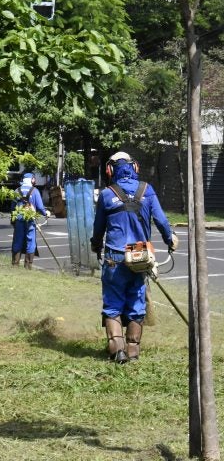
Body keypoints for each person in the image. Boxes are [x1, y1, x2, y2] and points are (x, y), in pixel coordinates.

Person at [90, 152, 177, 364]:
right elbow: (162, 221)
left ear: (110, 170)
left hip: (114, 256)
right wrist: (170, 239)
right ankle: (133, 352)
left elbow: (98, 228)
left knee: (113, 304)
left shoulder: (106, 194)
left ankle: (117, 351)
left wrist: (96, 245)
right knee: (137, 303)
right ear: (135, 168)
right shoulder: (147, 190)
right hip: (140, 256)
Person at [10, 173, 49, 269]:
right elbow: (40, 207)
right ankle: (28, 266)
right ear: (31, 179)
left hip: (19, 219)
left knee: (17, 240)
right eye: (33, 179)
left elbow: (12, 208)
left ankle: (15, 264)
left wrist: (13, 220)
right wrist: (46, 213)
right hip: (30, 219)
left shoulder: (16, 191)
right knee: (31, 241)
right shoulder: (34, 191)